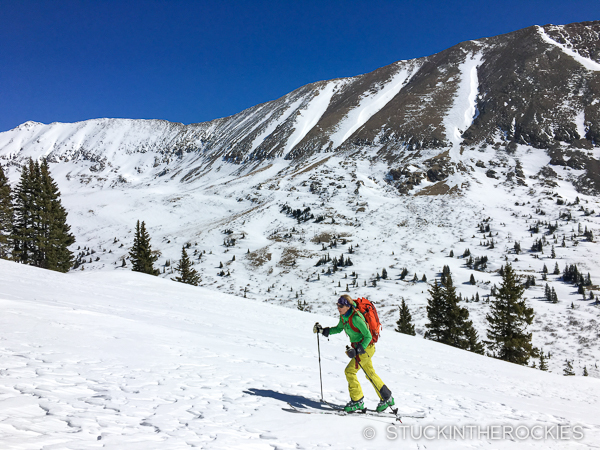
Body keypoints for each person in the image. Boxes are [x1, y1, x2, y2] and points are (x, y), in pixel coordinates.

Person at [313, 294, 395, 412]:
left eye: (340, 306)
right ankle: (388, 398)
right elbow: (338, 329)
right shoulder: (344, 317)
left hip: (366, 348)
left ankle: (357, 401)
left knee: (350, 371)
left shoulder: (356, 318)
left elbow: (368, 336)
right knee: (370, 373)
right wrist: (323, 330)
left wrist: (357, 350)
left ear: (347, 306)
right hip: (360, 348)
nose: (338, 308)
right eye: (337, 305)